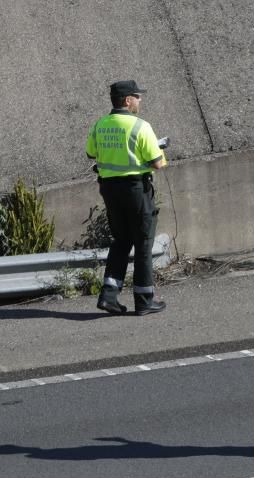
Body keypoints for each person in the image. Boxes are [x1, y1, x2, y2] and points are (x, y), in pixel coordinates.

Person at [86, 80, 167, 316]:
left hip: (110, 190)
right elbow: (157, 163)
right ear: (127, 100)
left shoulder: (100, 124)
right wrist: (160, 148)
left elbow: (91, 152)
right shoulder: (140, 126)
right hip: (135, 190)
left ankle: (109, 296)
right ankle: (144, 300)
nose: (140, 100)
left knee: (121, 241)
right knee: (143, 243)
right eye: (137, 96)